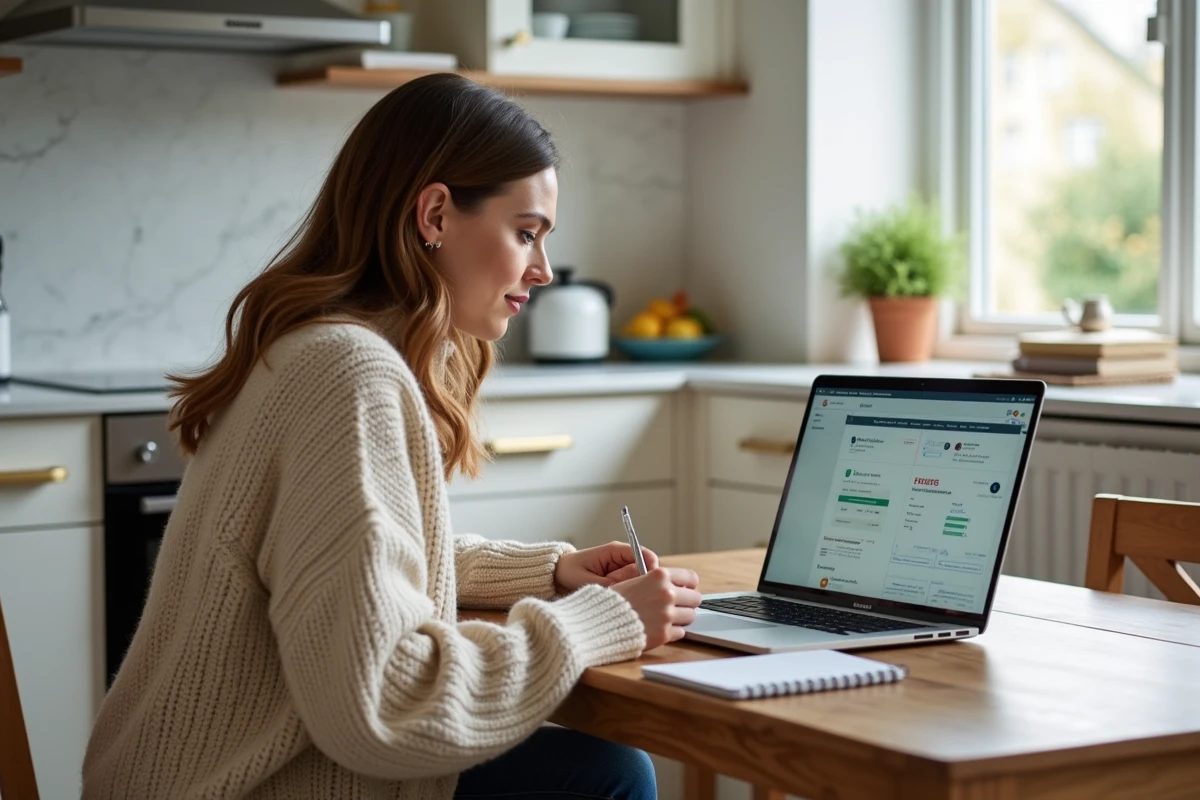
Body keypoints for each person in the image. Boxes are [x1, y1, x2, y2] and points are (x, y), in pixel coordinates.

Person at [81, 73, 702, 800]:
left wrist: (551, 572)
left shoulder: (314, 347)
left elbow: (352, 569)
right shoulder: (349, 373)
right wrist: (600, 622)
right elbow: (386, 703)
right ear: (435, 213)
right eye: (526, 233)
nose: (540, 270)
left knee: (603, 772)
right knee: (608, 777)